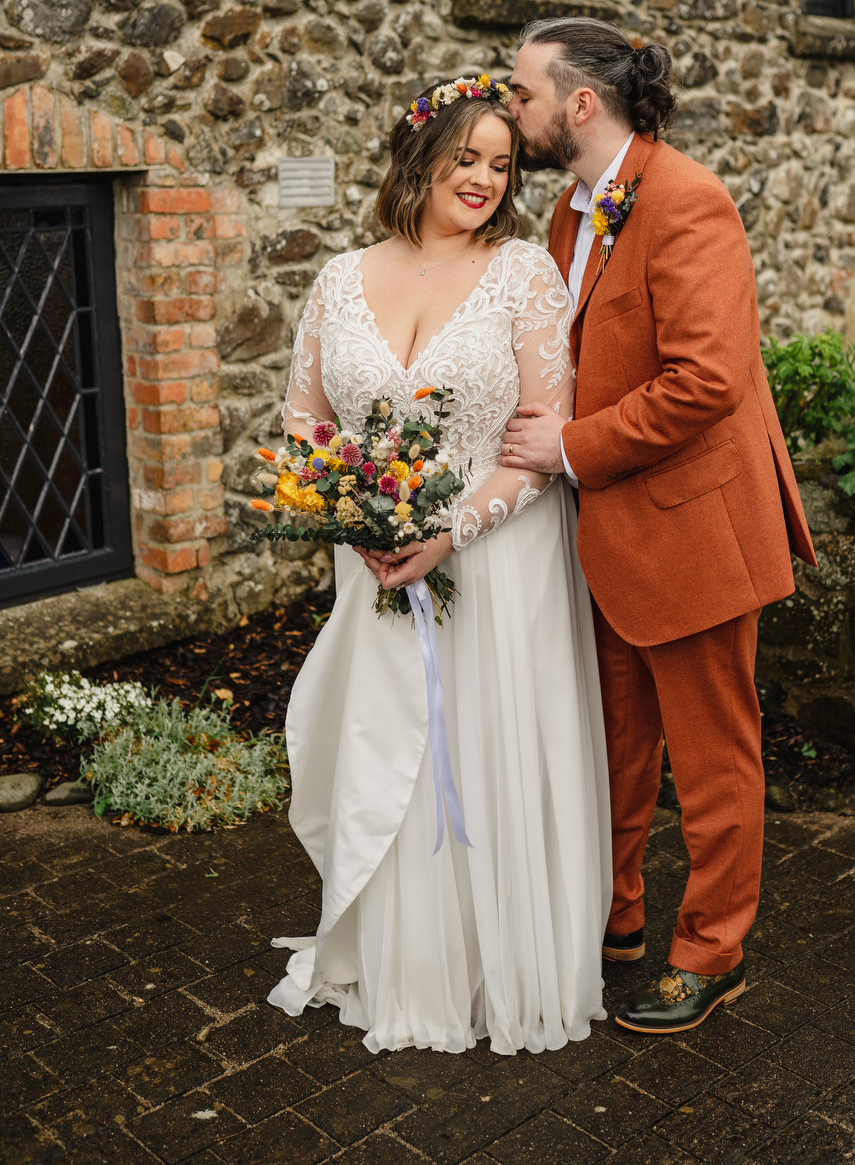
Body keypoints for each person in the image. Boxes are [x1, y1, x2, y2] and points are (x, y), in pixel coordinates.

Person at [267, 75, 611, 1055]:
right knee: (387, 757)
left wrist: (449, 531)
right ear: (416, 156)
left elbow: (540, 442)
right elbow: (304, 419)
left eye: (501, 165)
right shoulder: (339, 276)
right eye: (466, 157)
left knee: (482, 752)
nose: (484, 180)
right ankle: (399, 963)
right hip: (375, 563)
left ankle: (491, 966)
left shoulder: (522, 277)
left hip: (496, 567)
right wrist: (350, 509)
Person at [499, 18, 816, 1036]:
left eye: (520, 93)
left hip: (692, 531)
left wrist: (571, 448)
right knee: (616, 745)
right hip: (605, 536)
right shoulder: (567, 212)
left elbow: (706, 381)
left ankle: (709, 953)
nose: (511, 110)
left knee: (713, 757)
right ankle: (614, 920)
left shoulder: (687, 200)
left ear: (579, 103)